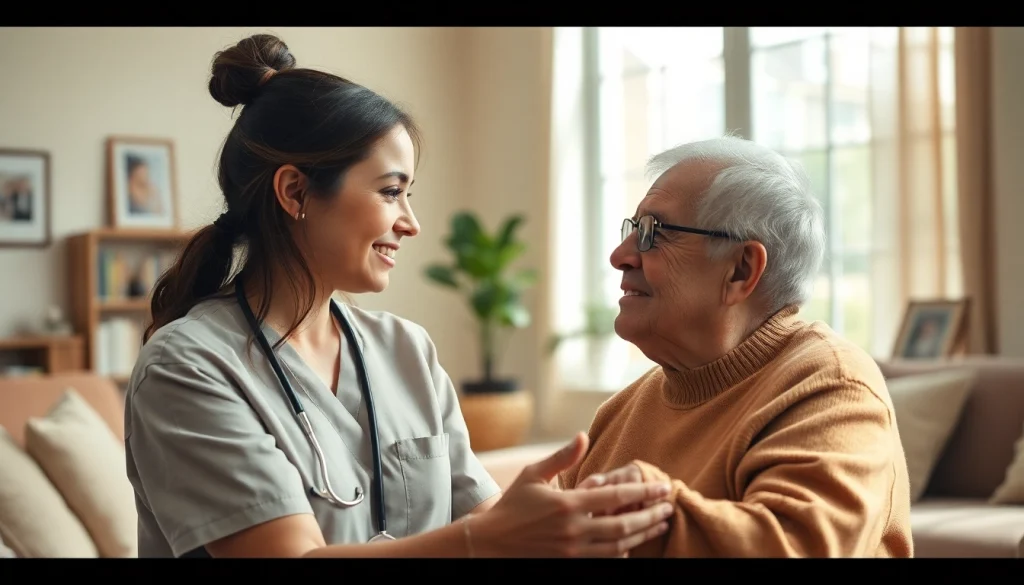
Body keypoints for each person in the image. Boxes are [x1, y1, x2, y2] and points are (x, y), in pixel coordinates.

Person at [123, 33, 674, 559]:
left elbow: (489, 522)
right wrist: (488, 539)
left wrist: (561, 527)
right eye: (391, 192)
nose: (410, 222)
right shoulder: (187, 367)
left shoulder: (407, 350)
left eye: (408, 194)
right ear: (295, 192)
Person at [557, 136, 914, 558]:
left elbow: (798, 548)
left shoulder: (833, 386)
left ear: (741, 270)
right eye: (632, 230)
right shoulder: (620, 414)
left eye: (653, 232)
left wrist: (646, 512)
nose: (620, 256)